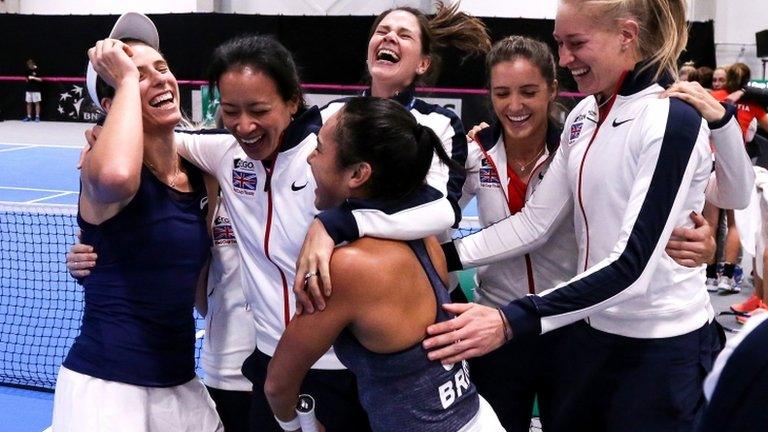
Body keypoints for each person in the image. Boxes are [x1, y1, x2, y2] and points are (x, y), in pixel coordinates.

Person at [421, 1, 751, 430]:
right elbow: (535, 221)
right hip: (589, 332)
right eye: (559, 44)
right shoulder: (584, 114)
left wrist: (511, 320)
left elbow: (632, 265)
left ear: (627, 36)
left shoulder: (669, 116)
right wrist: (436, 258)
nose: (563, 59)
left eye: (576, 43)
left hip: (658, 345)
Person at [265, 97, 504, 432]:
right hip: (476, 417)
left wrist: (293, 425)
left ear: (358, 173)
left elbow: (277, 385)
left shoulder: (350, 267)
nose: (309, 157)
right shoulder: (424, 240)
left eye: (319, 148)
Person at [52, 12, 222, 431]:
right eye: (136, 75)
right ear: (111, 104)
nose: (159, 79)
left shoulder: (203, 177)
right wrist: (126, 81)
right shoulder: (99, 166)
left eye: (161, 68)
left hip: (180, 383)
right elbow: (117, 176)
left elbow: (201, 288)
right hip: (107, 389)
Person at [294, 1, 490, 310]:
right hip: (342, 285)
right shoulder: (331, 115)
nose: (389, 37)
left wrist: (338, 223)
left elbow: (441, 211)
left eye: (404, 35)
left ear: (423, 64)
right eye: (382, 31)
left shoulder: (440, 124)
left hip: (423, 292)